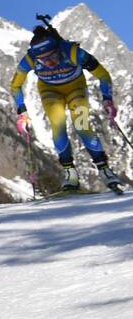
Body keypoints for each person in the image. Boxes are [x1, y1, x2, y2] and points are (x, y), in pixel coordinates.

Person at [11, 23, 122, 192]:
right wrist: (22, 112)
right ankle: (70, 173)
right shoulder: (29, 59)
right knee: (58, 125)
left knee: (82, 125)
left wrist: (108, 100)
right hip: (50, 91)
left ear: (58, 49)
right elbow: (15, 86)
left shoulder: (74, 52)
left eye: (52, 56)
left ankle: (104, 169)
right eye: (43, 60)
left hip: (76, 88)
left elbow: (103, 75)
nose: (49, 62)